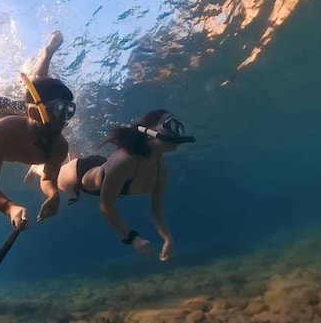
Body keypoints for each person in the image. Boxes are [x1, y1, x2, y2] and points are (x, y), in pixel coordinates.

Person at [27, 110, 195, 261]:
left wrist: (167, 239)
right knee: (52, 175)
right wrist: (133, 239)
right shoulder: (125, 161)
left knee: (86, 162)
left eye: (179, 128)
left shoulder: (160, 172)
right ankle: (36, 167)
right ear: (149, 132)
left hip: (102, 165)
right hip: (78, 176)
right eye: (170, 125)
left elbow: (156, 211)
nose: (177, 133)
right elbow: (105, 206)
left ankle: (70, 153)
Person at [0, 14, 76, 231]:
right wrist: (10, 208)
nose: (65, 120)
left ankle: (47, 54)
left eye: (69, 111)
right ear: (35, 114)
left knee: (37, 89)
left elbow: (48, 177)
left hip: (25, 110)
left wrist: (53, 194)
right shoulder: (1, 132)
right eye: (60, 111)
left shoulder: (60, 146)